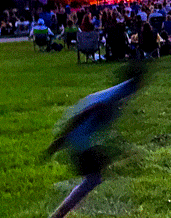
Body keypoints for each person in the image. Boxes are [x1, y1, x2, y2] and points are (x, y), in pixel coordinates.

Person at [46, 62, 145, 218]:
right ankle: (60, 213)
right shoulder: (120, 94)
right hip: (80, 140)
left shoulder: (123, 89)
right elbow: (89, 111)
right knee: (93, 179)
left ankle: (62, 211)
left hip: (83, 138)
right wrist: (61, 139)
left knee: (97, 175)